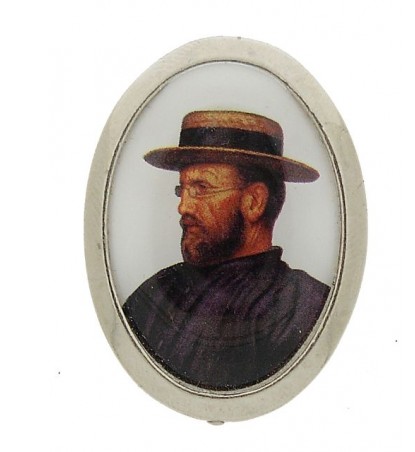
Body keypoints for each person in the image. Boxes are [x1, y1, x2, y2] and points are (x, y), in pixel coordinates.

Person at [123, 110, 330, 390]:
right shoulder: (156, 293)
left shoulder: (303, 307)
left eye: (201, 188)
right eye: (182, 189)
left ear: (254, 202)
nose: (183, 207)